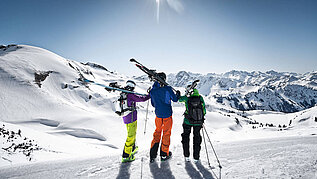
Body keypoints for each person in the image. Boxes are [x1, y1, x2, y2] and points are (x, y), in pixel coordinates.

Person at [149, 72, 180, 162]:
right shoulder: (168, 89)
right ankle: (163, 154)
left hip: (158, 115)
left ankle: (153, 154)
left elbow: (153, 104)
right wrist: (177, 94)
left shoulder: (153, 91)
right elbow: (175, 99)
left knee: (157, 132)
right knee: (166, 133)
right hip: (167, 115)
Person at [121, 80, 150, 163]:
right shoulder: (130, 95)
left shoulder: (124, 93)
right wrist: (149, 96)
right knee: (131, 135)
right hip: (131, 117)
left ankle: (132, 148)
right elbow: (141, 99)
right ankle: (126, 155)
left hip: (125, 117)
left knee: (131, 133)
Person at [178, 87, 206, 163]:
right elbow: (204, 110)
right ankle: (196, 157)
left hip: (187, 121)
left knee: (186, 137)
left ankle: (186, 156)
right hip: (198, 122)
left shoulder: (187, 98)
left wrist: (184, 94)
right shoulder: (200, 98)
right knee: (197, 138)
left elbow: (179, 99)